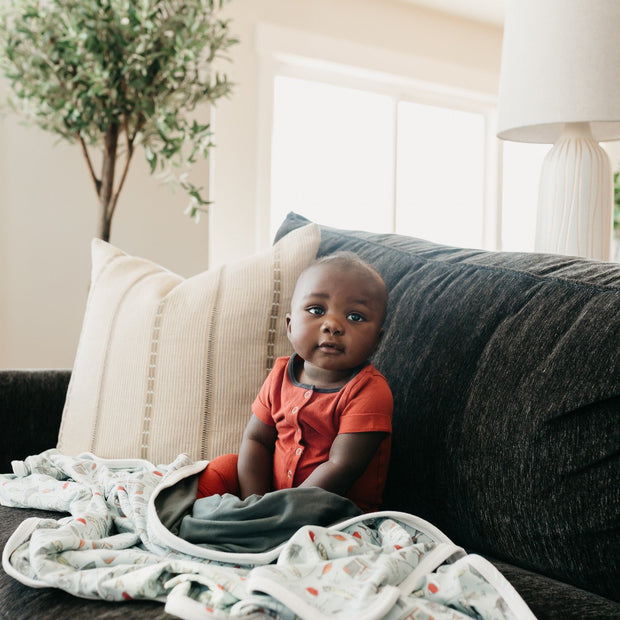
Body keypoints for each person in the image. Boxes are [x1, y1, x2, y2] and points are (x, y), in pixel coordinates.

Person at [196, 252, 393, 512]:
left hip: (331, 509)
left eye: (355, 317)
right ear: (290, 326)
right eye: (316, 310)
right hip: (269, 498)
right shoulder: (280, 374)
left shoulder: (369, 391)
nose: (332, 325)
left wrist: (279, 512)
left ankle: (244, 527)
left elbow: (342, 466)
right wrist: (254, 504)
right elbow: (257, 440)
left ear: (377, 340)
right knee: (221, 468)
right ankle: (182, 517)